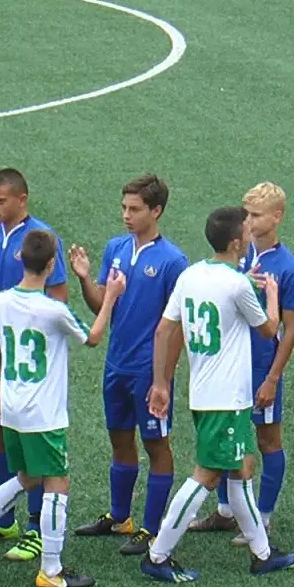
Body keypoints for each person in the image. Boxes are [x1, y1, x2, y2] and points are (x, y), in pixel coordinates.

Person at [0, 230, 123, 587]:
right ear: (51, 264)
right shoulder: (53, 310)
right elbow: (92, 337)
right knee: (57, 482)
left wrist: (0, 393)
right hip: (43, 414)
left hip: (12, 409)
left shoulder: (0, 302)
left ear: (20, 259)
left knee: (27, 477)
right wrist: (110, 297)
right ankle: (51, 569)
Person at [140, 207, 294, 582]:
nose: (251, 232)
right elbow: (269, 330)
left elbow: (163, 331)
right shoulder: (238, 285)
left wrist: (160, 383)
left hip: (204, 393)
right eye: (247, 229)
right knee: (207, 476)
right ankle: (158, 555)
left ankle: (262, 553)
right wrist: (272, 295)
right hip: (228, 399)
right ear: (237, 241)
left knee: (241, 468)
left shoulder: (192, 275)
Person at [67, 175, 188, 555]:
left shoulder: (173, 261)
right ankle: (121, 518)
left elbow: (178, 326)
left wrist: (163, 378)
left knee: (156, 444)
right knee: (119, 439)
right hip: (116, 364)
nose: (126, 215)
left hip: (149, 372)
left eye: (135, 209)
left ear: (157, 211)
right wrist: (85, 279)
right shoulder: (116, 248)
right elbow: (101, 305)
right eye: (124, 208)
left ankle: (152, 529)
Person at [194, 183, 294, 540]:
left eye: (256, 215)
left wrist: (273, 378)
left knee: (268, 441)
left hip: (260, 369)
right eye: (248, 215)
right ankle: (226, 512)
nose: (250, 222)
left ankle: (264, 518)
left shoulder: (287, 268)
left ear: (277, 217)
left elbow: (289, 330)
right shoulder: (239, 256)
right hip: (231, 368)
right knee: (229, 439)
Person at [0, 168, 69, 563]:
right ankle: (4, 519)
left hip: (32, 365)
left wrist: (14, 307)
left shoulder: (42, 238)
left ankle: (34, 527)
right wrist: (2, 304)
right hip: (0, 353)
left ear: (22, 199)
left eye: (0, 201)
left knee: (35, 447)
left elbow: (58, 298)